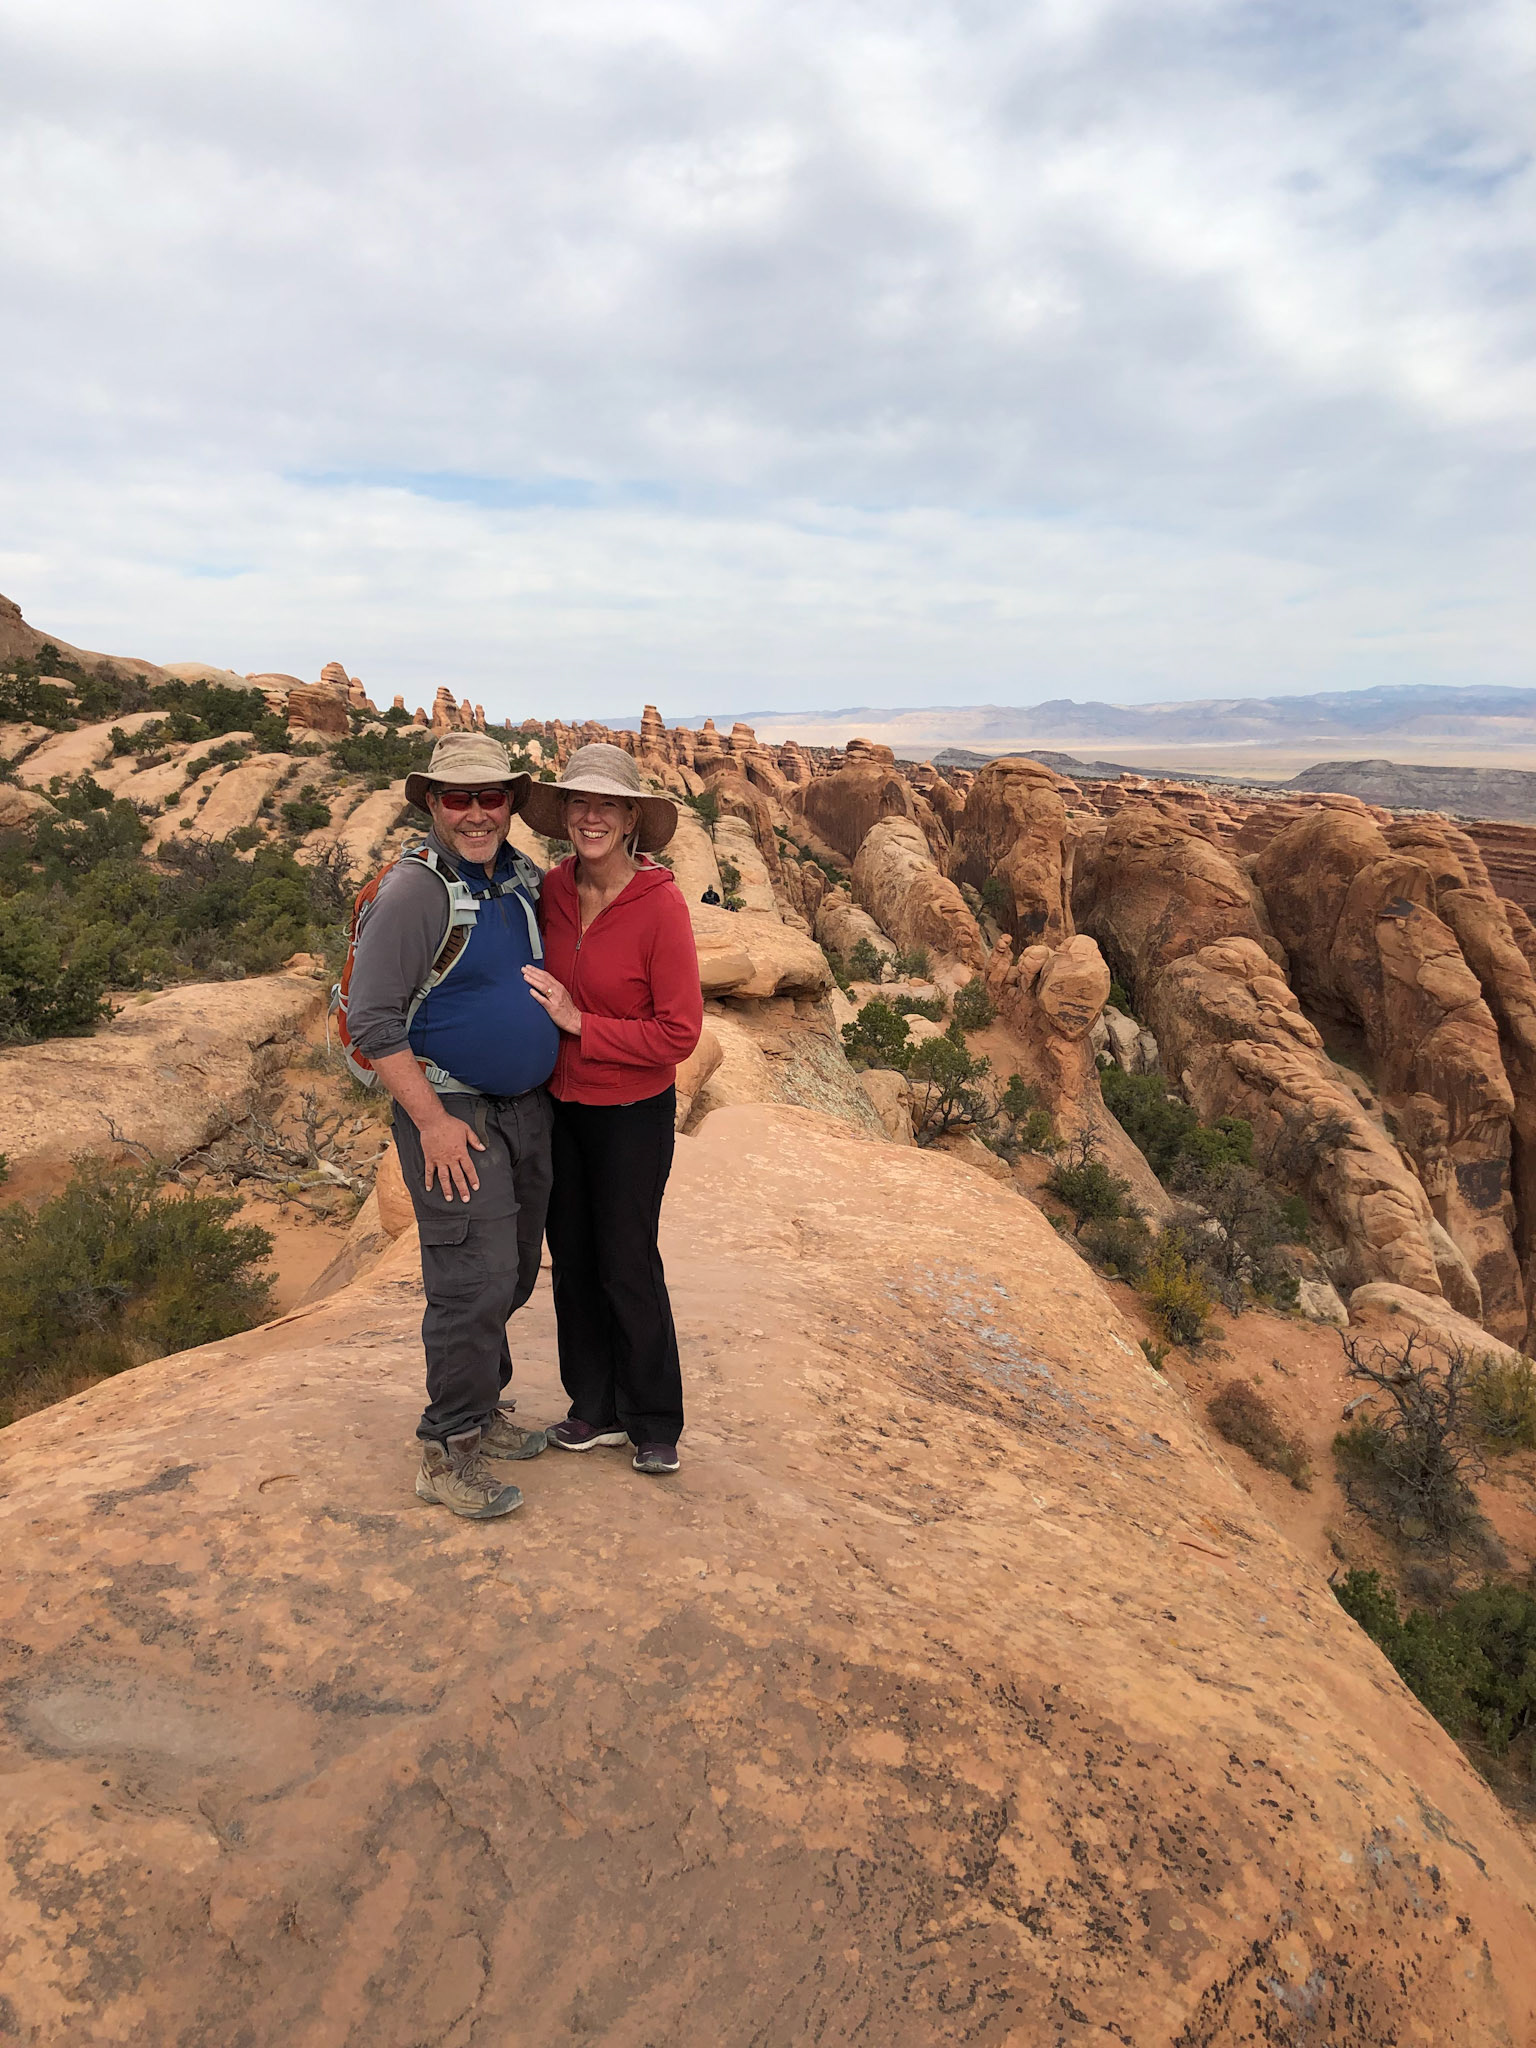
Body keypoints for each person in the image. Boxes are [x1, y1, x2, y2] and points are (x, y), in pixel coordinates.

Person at [345, 730, 558, 1520]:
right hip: (453, 1112)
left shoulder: (515, 879)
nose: (475, 813)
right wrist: (430, 1120)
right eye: (458, 798)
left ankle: (485, 1409)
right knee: (470, 1282)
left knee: (511, 1270)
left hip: (522, 1110)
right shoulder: (415, 890)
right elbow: (372, 1023)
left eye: (490, 797)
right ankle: (447, 1448)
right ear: (433, 803)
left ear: (510, 803)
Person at [520, 744, 702, 1475]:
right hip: (559, 1106)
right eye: (579, 803)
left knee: (627, 1261)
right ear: (564, 814)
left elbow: (679, 1034)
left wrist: (580, 1024)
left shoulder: (660, 907)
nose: (591, 817)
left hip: (631, 1111)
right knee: (572, 1259)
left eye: (608, 805)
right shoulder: (551, 892)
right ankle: (594, 1406)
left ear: (632, 819)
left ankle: (653, 1418)